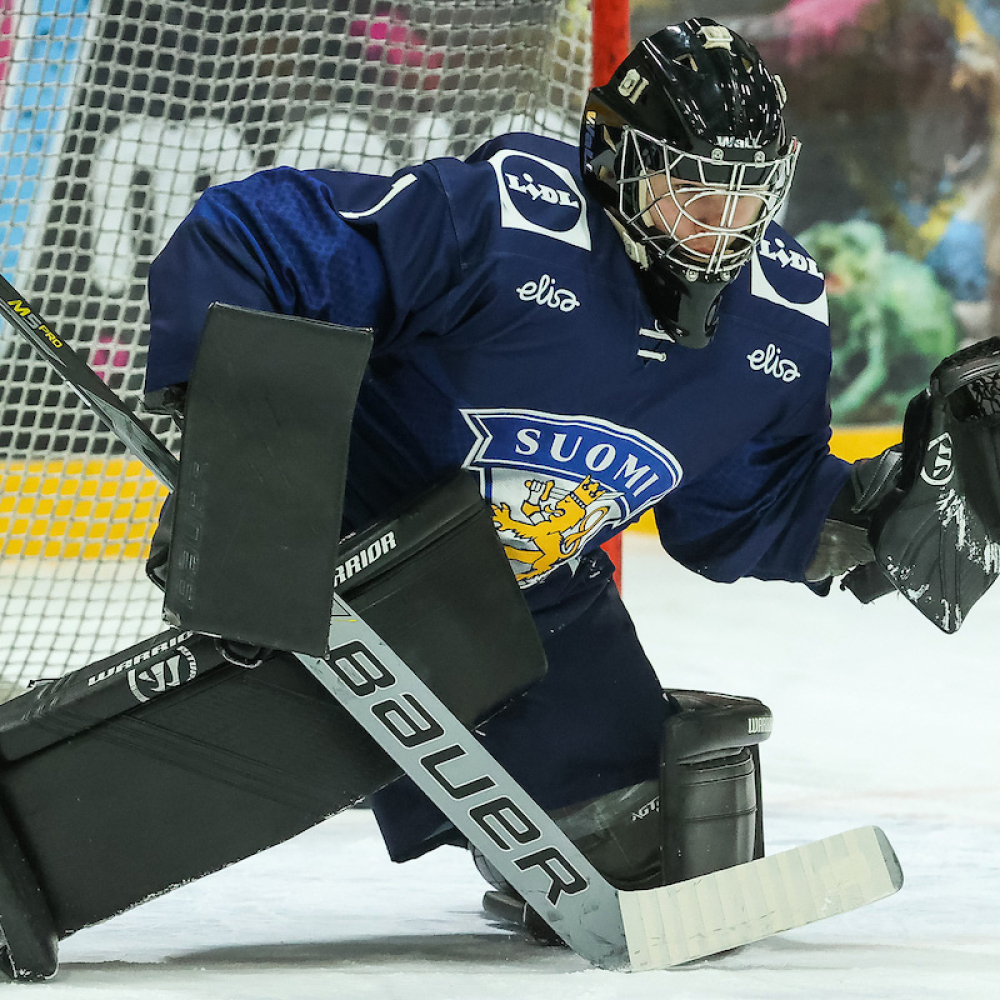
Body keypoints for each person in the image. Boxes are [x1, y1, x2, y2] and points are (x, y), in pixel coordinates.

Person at [141, 17, 1000, 917]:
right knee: (175, 787)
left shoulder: (776, 329)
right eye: (695, 192)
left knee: (652, 846)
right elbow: (254, 238)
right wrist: (237, 471)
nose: (722, 229)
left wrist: (891, 510)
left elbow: (745, 510)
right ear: (618, 161)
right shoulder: (504, 227)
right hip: (353, 550)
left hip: (536, 602)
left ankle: (524, 822)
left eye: (747, 197)